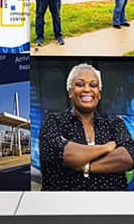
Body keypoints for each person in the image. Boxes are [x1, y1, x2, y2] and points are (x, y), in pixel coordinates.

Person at [39, 63, 134, 191]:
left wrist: (87, 167)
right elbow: (63, 154)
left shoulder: (114, 123)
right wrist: (106, 147)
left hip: (110, 206)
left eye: (93, 85)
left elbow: (129, 156)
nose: (87, 89)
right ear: (70, 92)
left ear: (99, 94)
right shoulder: (54, 121)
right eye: (79, 84)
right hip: (64, 207)